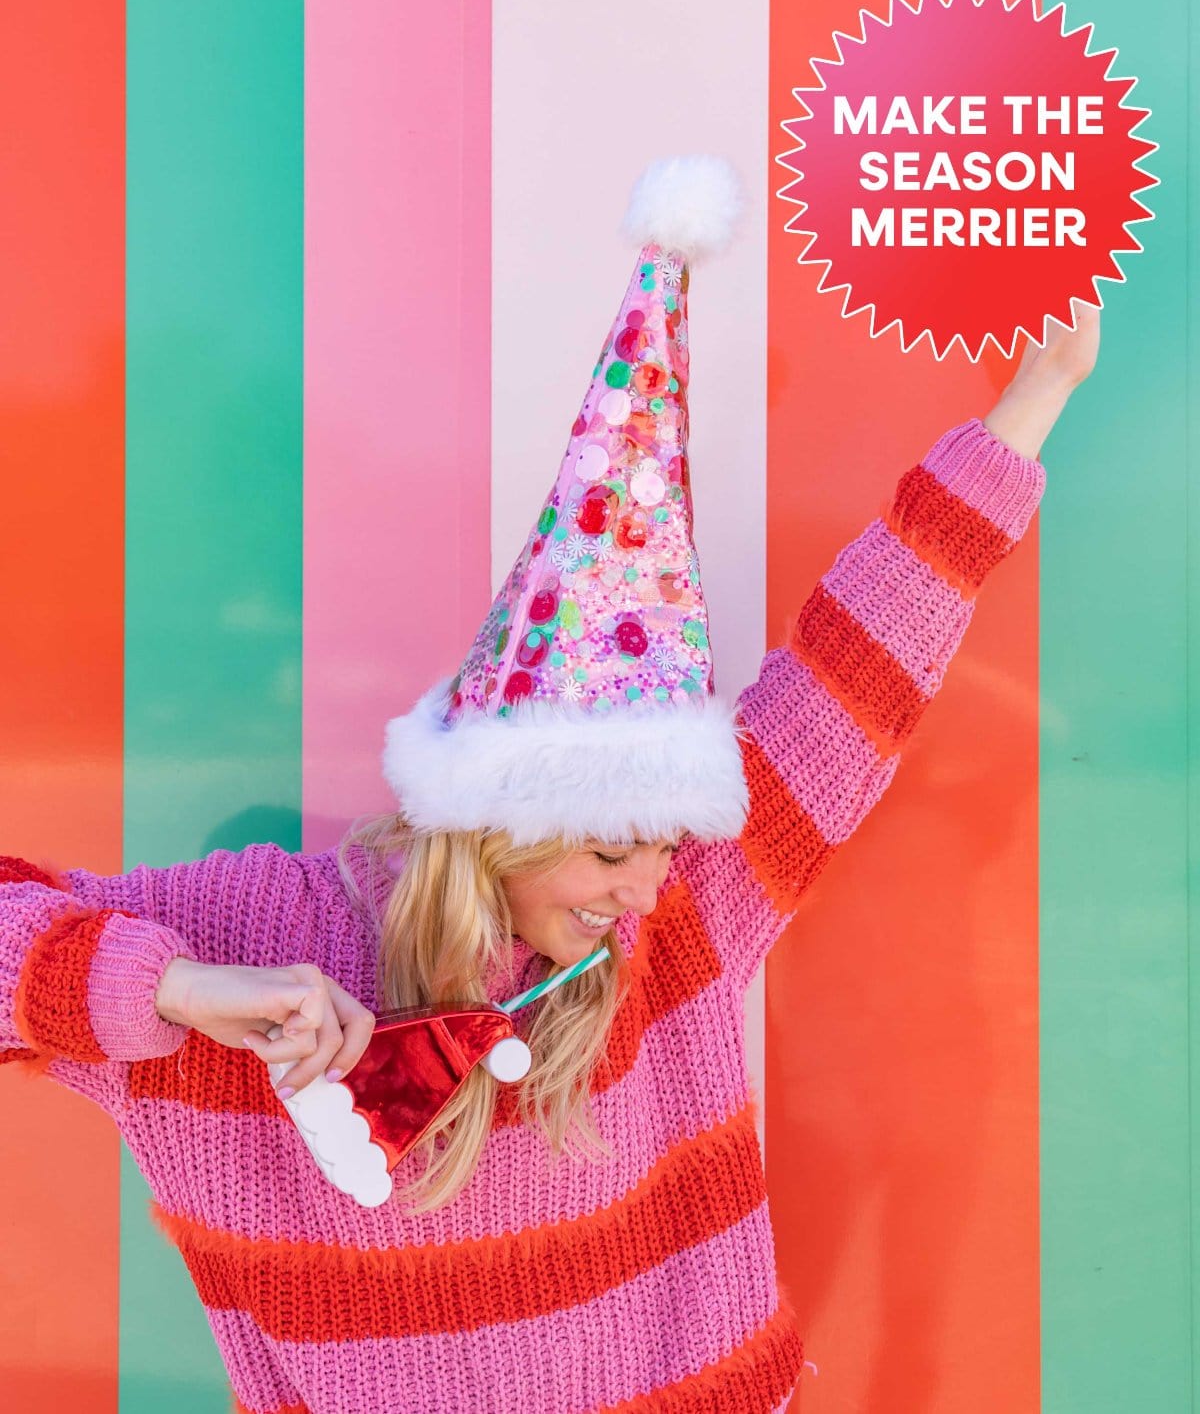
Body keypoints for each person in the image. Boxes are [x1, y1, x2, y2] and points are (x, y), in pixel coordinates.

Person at [0, 155, 1099, 1413]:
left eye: (662, 846)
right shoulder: (274, 935)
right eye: (607, 852)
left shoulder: (688, 910)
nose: (641, 891)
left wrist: (1039, 397)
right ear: (497, 826)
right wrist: (182, 991)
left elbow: (867, 658)